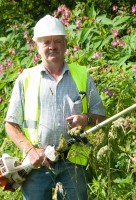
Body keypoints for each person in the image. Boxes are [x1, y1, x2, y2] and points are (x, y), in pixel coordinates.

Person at [5, 14, 105, 200]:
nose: (52, 46)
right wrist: (30, 151)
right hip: (36, 164)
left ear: (65, 44)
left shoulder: (82, 75)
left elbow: (100, 116)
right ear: (37, 46)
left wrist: (86, 119)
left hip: (74, 161)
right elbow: (10, 124)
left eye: (57, 41)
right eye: (46, 42)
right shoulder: (26, 79)